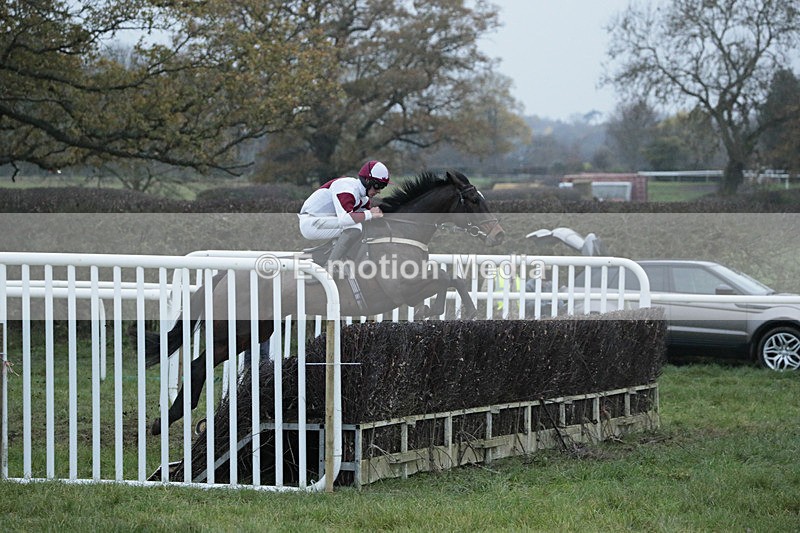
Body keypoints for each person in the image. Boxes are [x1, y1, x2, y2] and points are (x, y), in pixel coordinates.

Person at [298, 160, 390, 269]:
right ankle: (330, 267)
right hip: (310, 223)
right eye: (377, 185)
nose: (379, 191)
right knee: (354, 227)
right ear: (367, 180)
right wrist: (370, 214)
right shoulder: (347, 188)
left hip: (322, 221)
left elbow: (364, 219)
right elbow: (345, 219)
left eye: (382, 187)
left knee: (361, 227)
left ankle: (339, 258)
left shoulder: (363, 198)